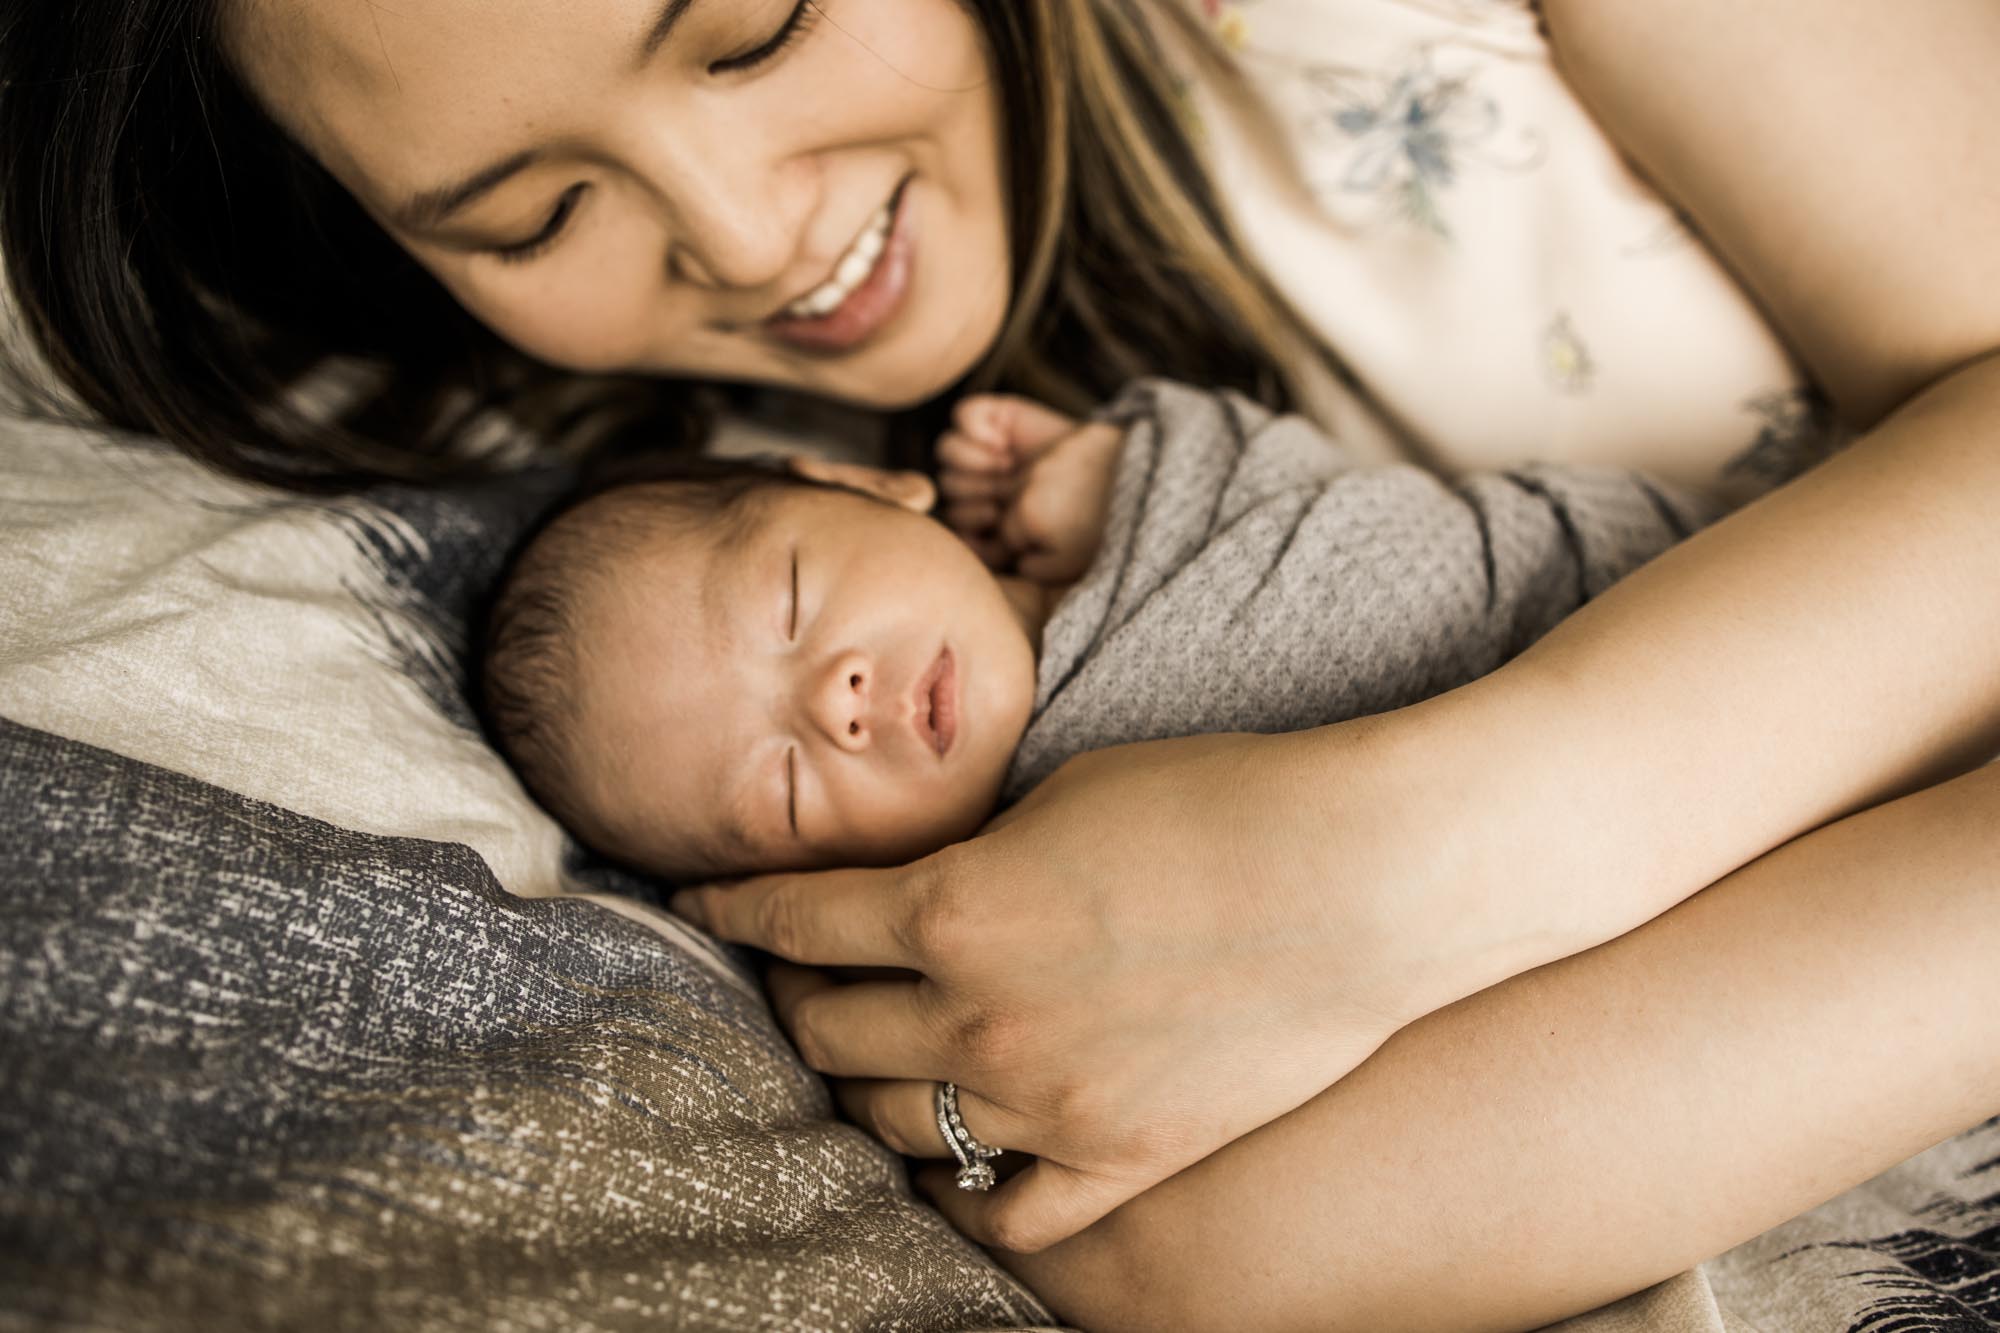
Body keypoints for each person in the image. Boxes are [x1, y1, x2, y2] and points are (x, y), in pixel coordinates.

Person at [3, 0, 1998, 1327]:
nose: (737, 231)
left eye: (756, 22)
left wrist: (1407, 862)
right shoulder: (684, 581)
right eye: (536, 211)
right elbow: (1170, 1255)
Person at [479, 380, 1706, 881]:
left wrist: (1121, 470)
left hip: (1679, 611)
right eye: (787, 789)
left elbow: (1342, 515)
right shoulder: (1034, 877)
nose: (834, 700)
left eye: (794, 604)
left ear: (865, 483)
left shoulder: (1133, 489)